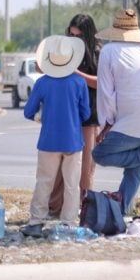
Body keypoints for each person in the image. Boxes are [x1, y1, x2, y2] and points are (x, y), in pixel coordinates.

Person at [92, 8, 140, 216]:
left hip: (131, 123)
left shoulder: (109, 51)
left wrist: (107, 123)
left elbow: (106, 92)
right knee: (135, 167)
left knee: (101, 154)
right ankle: (121, 212)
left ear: (115, 29)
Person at [19, 35, 90, 238]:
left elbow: (28, 112)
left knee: (44, 181)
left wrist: (42, 116)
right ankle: (68, 223)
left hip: (48, 140)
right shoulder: (79, 82)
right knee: (71, 184)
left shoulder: (42, 83)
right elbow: (85, 114)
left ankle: (36, 221)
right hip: (73, 140)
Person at [48, 14, 101, 217]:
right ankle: (55, 206)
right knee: (58, 163)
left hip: (88, 116)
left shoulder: (98, 52)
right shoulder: (66, 49)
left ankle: (83, 206)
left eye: (78, 36)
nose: (73, 39)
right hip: (65, 113)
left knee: (84, 165)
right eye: (70, 35)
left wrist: (74, 73)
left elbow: (99, 82)